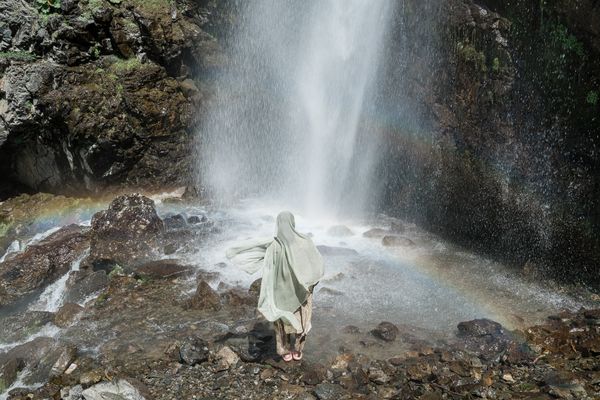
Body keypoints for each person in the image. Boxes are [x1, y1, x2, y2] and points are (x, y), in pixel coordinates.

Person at [226, 211, 324, 361]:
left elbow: (269, 268)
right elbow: (315, 263)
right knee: (302, 318)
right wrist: (311, 283)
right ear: (293, 223)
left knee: (281, 322)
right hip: (301, 290)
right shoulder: (304, 241)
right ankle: (297, 349)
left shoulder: (274, 245)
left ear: (278, 224)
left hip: (281, 292)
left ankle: (284, 351)